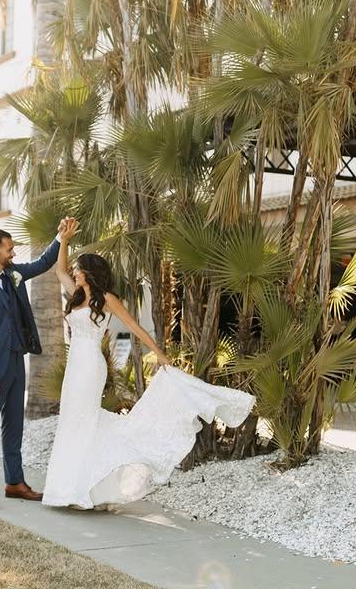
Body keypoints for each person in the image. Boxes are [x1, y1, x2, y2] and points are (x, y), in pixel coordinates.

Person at [42, 218, 256, 509]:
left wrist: (161, 353)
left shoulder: (106, 299)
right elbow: (59, 270)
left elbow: (135, 327)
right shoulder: (76, 295)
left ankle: (84, 490)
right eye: (76, 268)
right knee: (71, 420)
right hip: (74, 367)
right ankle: (71, 488)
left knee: (85, 420)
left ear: (89, 272)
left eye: (79, 268)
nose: (75, 271)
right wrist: (63, 239)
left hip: (91, 366)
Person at [0, 219, 75, 509]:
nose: (13, 254)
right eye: (9, 250)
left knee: (14, 426)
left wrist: (60, 237)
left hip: (15, 361)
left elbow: (42, 263)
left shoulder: (12, 274)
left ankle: (15, 482)